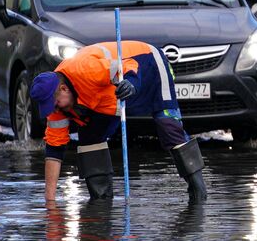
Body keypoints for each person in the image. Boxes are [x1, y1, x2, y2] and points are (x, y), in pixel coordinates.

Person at [30, 41, 206, 203]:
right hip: (110, 98)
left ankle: (198, 193)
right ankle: (101, 201)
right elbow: (54, 150)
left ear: (63, 89)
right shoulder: (56, 105)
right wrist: (50, 202)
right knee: (90, 138)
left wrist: (131, 84)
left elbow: (129, 65)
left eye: (54, 104)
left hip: (148, 66)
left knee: (168, 127)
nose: (54, 110)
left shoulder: (87, 69)